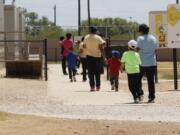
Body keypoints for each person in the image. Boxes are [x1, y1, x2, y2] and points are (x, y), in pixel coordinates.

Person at [137, 24, 158, 103]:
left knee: (138, 79)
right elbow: (155, 50)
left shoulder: (140, 38)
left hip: (141, 62)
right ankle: (151, 97)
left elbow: (138, 49)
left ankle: (140, 94)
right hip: (152, 62)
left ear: (141, 31)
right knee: (151, 80)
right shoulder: (153, 38)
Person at [84, 25, 105, 91]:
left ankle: (92, 87)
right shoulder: (98, 37)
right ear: (95, 30)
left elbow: (84, 46)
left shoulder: (86, 37)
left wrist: (88, 49)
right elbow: (103, 44)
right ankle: (98, 86)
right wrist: (103, 54)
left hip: (89, 56)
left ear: (90, 30)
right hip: (97, 57)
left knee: (90, 72)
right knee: (97, 73)